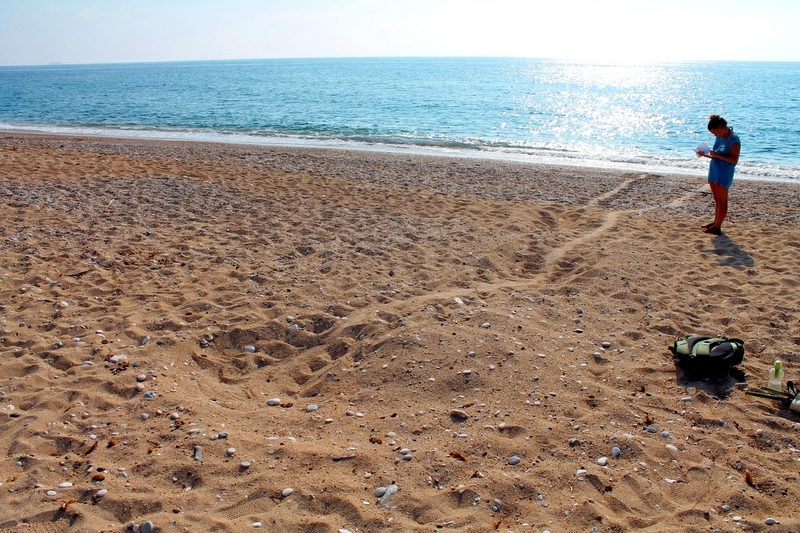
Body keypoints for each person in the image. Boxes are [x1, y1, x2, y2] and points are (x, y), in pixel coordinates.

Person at [695, 114, 740, 235]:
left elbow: (734, 160)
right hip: (715, 169)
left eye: (715, 132)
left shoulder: (734, 140)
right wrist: (705, 154)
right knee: (717, 199)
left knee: (722, 201)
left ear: (720, 127)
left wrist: (717, 155)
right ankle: (716, 222)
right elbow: (716, 154)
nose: (715, 135)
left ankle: (717, 227)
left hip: (724, 172)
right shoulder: (720, 137)